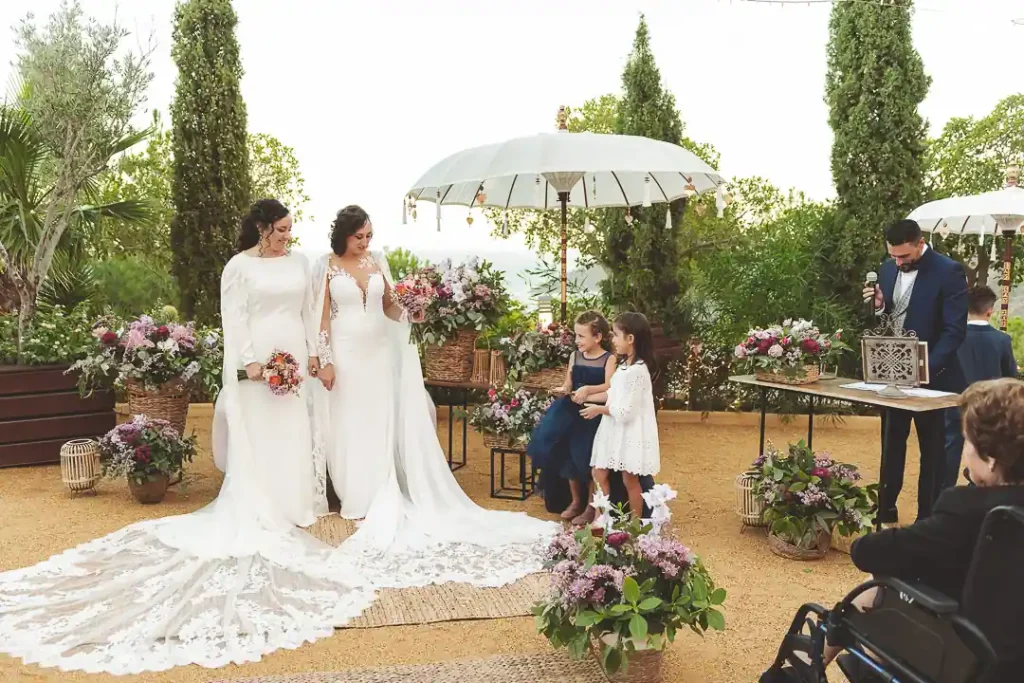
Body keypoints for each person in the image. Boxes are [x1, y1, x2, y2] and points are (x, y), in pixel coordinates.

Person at [0, 200, 376, 674]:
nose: (286, 236)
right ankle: (264, 503)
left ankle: (298, 503)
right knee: (261, 432)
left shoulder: (301, 263)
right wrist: (249, 362)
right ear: (261, 228)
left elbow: (309, 313)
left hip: (294, 356)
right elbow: (233, 318)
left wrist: (314, 358)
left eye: (288, 229)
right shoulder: (238, 267)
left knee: (295, 431)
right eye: (279, 230)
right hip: (259, 358)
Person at [311, 205, 559, 589]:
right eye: (359, 237)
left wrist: (413, 310)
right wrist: (325, 362)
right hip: (344, 355)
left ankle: (379, 490)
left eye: (369, 236)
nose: (365, 243)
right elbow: (321, 318)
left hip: (378, 356)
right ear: (343, 235)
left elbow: (391, 307)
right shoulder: (325, 265)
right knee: (346, 423)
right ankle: (353, 495)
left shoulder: (378, 261)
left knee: (379, 421)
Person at [820, 379, 1024, 680]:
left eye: (967, 442)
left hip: (965, 656)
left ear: (991, 459)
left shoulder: (968, 510)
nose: (965, 452)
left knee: (879, 587)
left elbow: (871, 552)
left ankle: (799, 670)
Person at [862, 218, 967, 523]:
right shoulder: (886, 267)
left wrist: (924, 370)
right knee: (891, 444)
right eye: (893, 256)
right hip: (892, 377)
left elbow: (954, 331)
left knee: (933, 452)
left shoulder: (949, 271)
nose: (897, 262)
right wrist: (880, 306)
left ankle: (928, 518)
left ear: (920, 243)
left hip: (935, 379)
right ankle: (886, 508)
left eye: (904, 257)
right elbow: (886, 318)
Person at [527, 311, 617, 525]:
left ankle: (589, 506)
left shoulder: (609, 358)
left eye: (582, 336)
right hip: (569, 411)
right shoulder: (574, 356)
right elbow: (569, 383)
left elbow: (609, 386)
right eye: (576, 336)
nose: (577, 341)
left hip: (592, 414)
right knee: (566, 456)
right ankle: (576, 501)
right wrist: (562, 389)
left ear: (598, 337)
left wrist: (587, 390)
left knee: (586, 458)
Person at [583, 311, 661, 520]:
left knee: (630, 479)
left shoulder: (637, 371)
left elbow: (626, 411)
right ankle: (601, 522)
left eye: (616, 335)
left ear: (630, 339)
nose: (613, 340)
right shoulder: (625, 365)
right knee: (599, 473)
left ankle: (635, 526)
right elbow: (614, 394)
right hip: (614, 429)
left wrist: (597, 410)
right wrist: (588, 396)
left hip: (628, 431)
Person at [943, 285, 1018, 489]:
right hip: (989, 407)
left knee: (949, 450)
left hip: (955, 401)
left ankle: (945, 491)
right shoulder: (1002, 340)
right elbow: (1011, 377)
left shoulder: (954, 337)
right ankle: (980, 489)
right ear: (989, 310)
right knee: (988, 450)